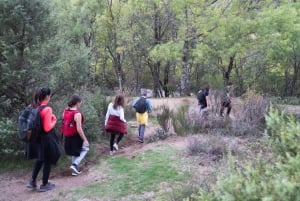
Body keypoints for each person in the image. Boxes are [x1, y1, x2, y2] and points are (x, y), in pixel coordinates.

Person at [26, 87, 60, 192]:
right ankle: (45, 184)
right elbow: (47, 127)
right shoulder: (47, 109)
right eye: (49, 95)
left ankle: (32, 181)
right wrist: (54, 120)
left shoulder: (33, 107)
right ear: (47, 97)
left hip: (36, 139)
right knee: (47, 160)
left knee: (40, 158)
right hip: (46, 139)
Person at [63, 94, 89, 176]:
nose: (80, 104)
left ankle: (75, 170)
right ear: (77, 103)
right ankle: (75, 164)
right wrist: (85, 139)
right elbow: (79, 129)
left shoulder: (65, 112)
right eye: (80, 102)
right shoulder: (77, 114)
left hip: (67, 136)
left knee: (75, 153)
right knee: (86, 148)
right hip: (75, 136)